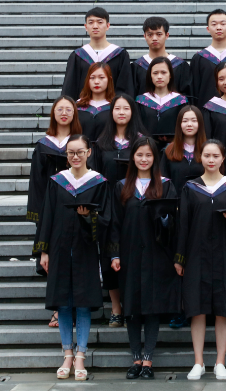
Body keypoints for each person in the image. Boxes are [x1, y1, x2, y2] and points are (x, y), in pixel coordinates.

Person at [175, 140, 226, 380]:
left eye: (215, 156)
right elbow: (182, 225)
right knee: (196, 309)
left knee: (223, 309)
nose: (211, 160)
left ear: (223, 158)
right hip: (196, 255)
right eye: (207, 155)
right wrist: (180, 258)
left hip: (224, 255)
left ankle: (220, 362)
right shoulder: (190, 188)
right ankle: (198, 362)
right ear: (200, 157)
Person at [38, 135, 112, 381]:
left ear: (89, 153)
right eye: (71, 152)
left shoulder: (99, 182)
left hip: (86, 249)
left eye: (80, 152)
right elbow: (47, 215)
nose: (75, 156)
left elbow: (106, 219)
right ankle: (67, 354)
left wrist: (88, 217)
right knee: (63, 302)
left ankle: (81, 354)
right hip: (59, 248)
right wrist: (44, 250)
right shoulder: (57, 181)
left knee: (82, 302)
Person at [109, 137, 178, 380]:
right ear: (133, 158)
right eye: (139, 155)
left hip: (156, 256)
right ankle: (136, 358)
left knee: (151, 307)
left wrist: (167, 220)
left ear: (155, 158)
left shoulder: (166, 185)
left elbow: (174, 223)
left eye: (148, 155)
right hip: (129, 256)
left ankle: (148, 359)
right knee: (132, 307)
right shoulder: (122, 187)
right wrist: (115, 253)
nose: (144, 159)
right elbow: (114, 223)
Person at [92, 93, 146, 327]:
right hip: (107, 205)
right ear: (111, 112)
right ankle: (116, 307)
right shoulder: (101, 143)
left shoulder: (141, 141)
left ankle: (134, 304)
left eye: (126, 108)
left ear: (133, 112)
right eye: (117, 108)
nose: (121, 112)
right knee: (109, 255)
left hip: (135, 203)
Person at [28, 97, 82, 328]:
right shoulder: (43, 145)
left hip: (77, 209)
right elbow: (36, 183)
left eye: (68, 109)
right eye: (59, 109)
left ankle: (76, 307)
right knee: (54, 260)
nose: (64, 113)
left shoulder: (81, 143)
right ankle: (59, 310)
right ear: (53, 113)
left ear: (74, 114)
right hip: (51, 211)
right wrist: (40, 214)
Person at [62, 7, 134, 100]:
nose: (95, 26)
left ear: (107, 26)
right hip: (83, 107)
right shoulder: (78, 56)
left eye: (100, 22)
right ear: (86, 27)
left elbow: (125, 87)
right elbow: (70, 88)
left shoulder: (120, 55)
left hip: (112, 107)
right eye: (91, 22)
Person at [191, 10, 226, 107]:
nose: (218, 27)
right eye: (214, 24)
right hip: (206, 110)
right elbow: (194, 90)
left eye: (223, 24)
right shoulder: (199, 58)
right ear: (208, 29)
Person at [132, 16, 192, 97]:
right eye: (150, 35)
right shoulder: (137, 66)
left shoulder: (180, 65)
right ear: (145, 36)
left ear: (167, 35)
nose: (154, 38)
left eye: (159, 34)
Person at [136, 57, 188, 146]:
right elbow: (136, 127)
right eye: (155, 73)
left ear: (170, 75)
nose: (159, 76)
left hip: (174, 148)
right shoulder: (141, 101)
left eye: (163, 72)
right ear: (150, 76)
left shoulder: (181, 101)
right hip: (146, 148)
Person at [161, 105, 207, 193]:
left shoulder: (208, 150)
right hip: (175, 199)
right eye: (185, 121)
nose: (189, 124)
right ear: (179, 124)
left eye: (194, 120)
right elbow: (164, 181)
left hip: (202, 199)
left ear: (200, 124)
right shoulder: (169, 151)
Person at [76, 62, 115, 141]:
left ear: (109, 79)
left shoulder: (115, 106)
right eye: (92, 78)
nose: (96, 82)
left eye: (101, 77)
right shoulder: (78, 105)